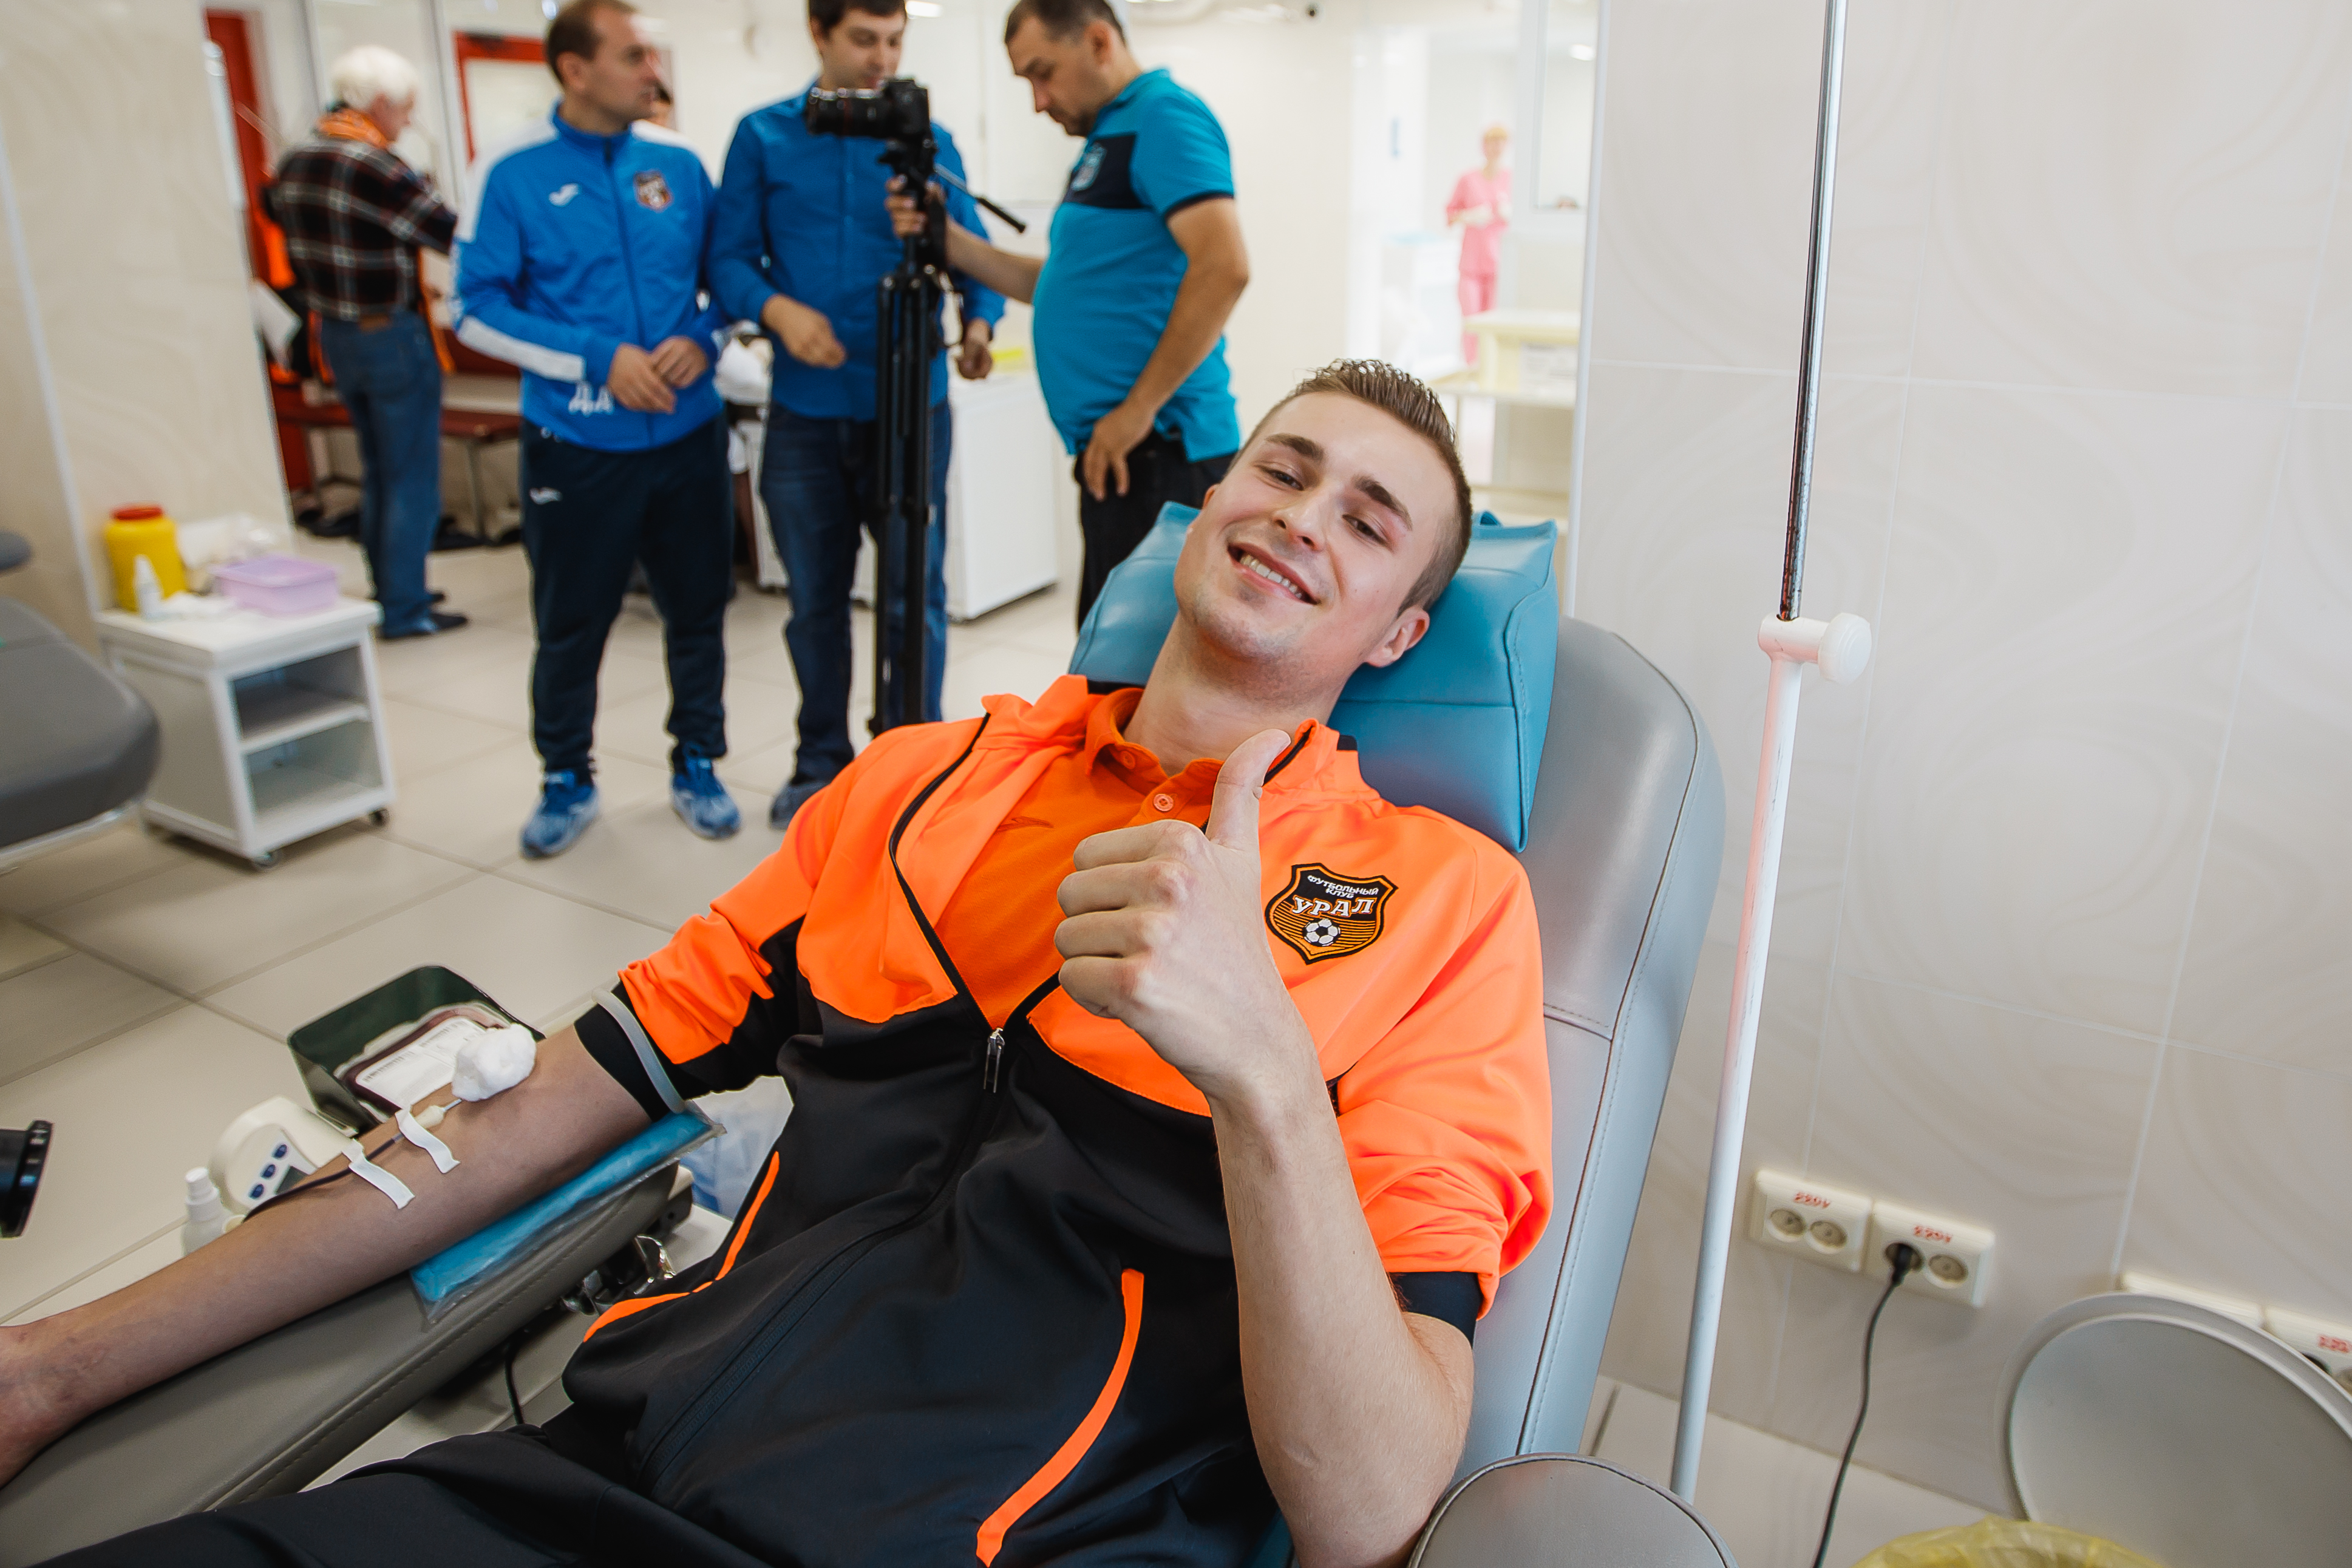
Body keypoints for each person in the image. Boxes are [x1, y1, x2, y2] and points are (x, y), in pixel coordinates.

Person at [0, 362, 1552, 1568]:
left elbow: (1367, 1505)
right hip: (598, 1483)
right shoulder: (919, 785)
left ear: (1398, 636)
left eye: (1368, 520)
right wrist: (54, 1365)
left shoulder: (1442, 903)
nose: (1303, 513)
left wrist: (1262, 1071)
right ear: (1207, 505)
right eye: (1283, 467)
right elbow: (545, 1100)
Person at [451, 0, 741, 858]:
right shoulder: (511, 172)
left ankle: (698, 760)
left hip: (687, 436)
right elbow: (472, 308)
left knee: (698, 612)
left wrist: (704, 337)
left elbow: (728, 279)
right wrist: (594, 358)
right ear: (575, 70)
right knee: (572, 623)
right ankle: (566, 777)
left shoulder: (677, 163)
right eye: (632, 57)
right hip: (577, 446)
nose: (653, 72)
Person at [710, 0, 1006, 831]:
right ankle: (820, 761)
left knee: (917, 592)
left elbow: (969, 250)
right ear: (819, 33)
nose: (882, 57)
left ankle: (915, 759)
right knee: (815, 600)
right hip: (804, 413)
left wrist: (979, 326)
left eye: (895, 40)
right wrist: (777, 310)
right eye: (863, 39)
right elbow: (727, 260)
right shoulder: (764, 136)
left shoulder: (926, 138)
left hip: (913, 407)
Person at [914, 0, 1249, 628]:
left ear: (1098, 42)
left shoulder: (1165, 116)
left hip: (1161, 448)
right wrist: (948, 242)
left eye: (1043, 74)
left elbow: (1224, 266)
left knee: (1129, 664)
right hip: (1124, 453)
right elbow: (1064, 286)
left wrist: (1136, 410)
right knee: (1106, 657)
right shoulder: (1110, 135)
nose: (1038, 101)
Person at [266, 46, 466, 640]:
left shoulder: (296, 157)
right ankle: (406, 608)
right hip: (390, 335)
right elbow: (450, 233)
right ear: (380, 103)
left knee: (379, 470)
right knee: (411, 475)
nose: (409, 121)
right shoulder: (376, 164)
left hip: (337, 336)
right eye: (406, 108)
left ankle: (392, 588)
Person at [1446, 125, 1511, 366]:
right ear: (1483, 146)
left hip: (1499, 265)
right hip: (1471, 265)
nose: (1496, 147)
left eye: (1501, 142)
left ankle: (1492, 370)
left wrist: (1509, 214)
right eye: (1491, 142)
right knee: (1471, 321)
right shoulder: (1468, 180)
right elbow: (1450, 215)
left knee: (1494, 323)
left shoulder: (1512, 180)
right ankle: (1472, 369)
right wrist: (1468, 216)